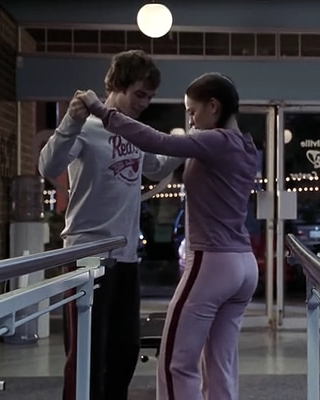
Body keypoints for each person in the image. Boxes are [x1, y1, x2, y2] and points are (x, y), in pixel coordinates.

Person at [75, 72, 259, 400]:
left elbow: (158, 142)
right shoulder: (245, 146)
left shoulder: (216, 140)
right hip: (243, 266)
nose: (191, 120)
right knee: (220, 362)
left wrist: (102, 111)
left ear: (213, 106)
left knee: (176, 362)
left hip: (212, 263)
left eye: (192, 111)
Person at [38, 50, 184, 400]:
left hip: (126, 256)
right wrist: (70, 121)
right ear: (117, 86)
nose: (144, 103)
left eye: (149, 97)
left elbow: (155, 168)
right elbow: (48, 166)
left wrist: (189, 143)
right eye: (139, 94)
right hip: (87, 255)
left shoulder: (135, 132)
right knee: (87, 355)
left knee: (125, 351)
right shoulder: (86, 128)